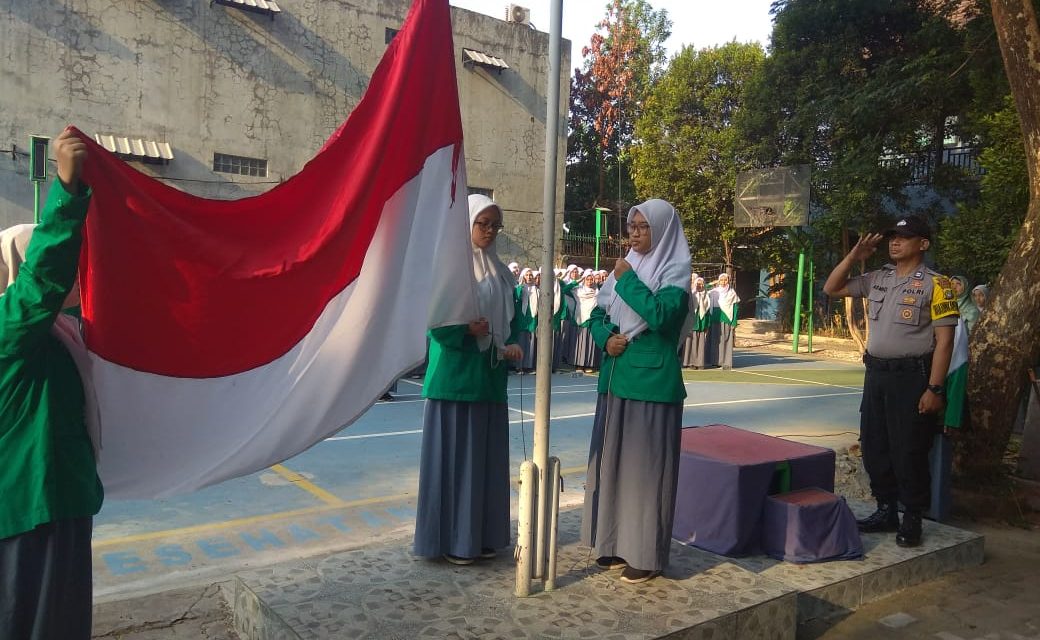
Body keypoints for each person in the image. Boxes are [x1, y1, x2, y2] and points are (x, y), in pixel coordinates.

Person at [0, 128, 103, 640]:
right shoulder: (9, 330)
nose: (76, 280)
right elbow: (43, 279)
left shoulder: (56, 335)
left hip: (57, 502)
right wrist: (67, 186)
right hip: (31, 510)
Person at [822, 215, 958, 548]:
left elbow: (945, 341)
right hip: (877, 375)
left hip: (912, 378)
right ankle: (886, 510)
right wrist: (854, 257)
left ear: (923, 244)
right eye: (892, 237)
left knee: (908, 448)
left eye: (904, 237)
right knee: (874, 444)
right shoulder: (878, 278)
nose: (894, 242)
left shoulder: (937, 285)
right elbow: (832, 287)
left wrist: (935, 388)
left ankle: (912, 515)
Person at [581, 198, 691, 584]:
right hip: (615, 378)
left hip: (651, 384)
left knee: (645, 474)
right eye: (632, 227)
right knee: (611, 467)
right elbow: (595, 314)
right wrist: (606, 337)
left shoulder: (675, 272)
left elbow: (661, 316)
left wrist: (627, 278)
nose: (635, 234)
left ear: (661, 231)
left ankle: (644, 554)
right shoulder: (621, 270)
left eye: (644, 227)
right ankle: (610, 542)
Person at [413, 194, 524, 565]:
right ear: (468, 224)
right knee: (456, 463)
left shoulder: (504, 274)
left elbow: (517, 319)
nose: (490, 231)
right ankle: (452, 541)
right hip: (455, 380)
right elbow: (434, 321)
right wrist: (465, 330)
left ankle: (484, 536)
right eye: (483, 223)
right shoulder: (451, 269)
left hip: (490, 380)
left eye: (495, 225)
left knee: (485, 465)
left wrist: (512, 343)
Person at [570, 269, 602, 373]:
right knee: (580, 343)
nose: (589, 281)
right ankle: (579, 365)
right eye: (587, 279)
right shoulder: (578, 291)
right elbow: (564, 290)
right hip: (581, 320)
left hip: (592, 321)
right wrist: (577, 281)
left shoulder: (597, 292)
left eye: (591, 279)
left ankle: (589, 364)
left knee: (590, 344)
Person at [710, 272, 740, 369]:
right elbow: (700, 289)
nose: (723, 282)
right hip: (715, 319)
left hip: (727, 319)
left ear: (728, 281)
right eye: (721, 280)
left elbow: (735, 307)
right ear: (719, 281)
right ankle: (715, 361)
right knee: (715, 340)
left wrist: (734, 321)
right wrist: (711, 283)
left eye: (725, 280)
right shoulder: (714, 291)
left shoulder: (732, 293)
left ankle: (726, 362)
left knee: (726, 341)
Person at [682, 276, 712, 369]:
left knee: (700, 343)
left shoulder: (706, 296)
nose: (700, 285)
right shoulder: (691, 295)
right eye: (698, 284)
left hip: (701, 322)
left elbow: (707, 312)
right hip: (691, 323)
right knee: (690, 342)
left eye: (701, 284)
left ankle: (699, 363)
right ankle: (689, 362)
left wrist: (707, 324)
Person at [515, 267, 538, 372]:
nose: (529, 277)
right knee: (521, 342)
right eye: (527, 275)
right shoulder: (519, 288)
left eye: (530, 275)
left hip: (532, 318)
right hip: (522, 318)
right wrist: (520, 287)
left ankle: (528, 366)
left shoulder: (536, 290)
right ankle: (518, 365)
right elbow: (517, 298)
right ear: (523, 277)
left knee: (531, 343)